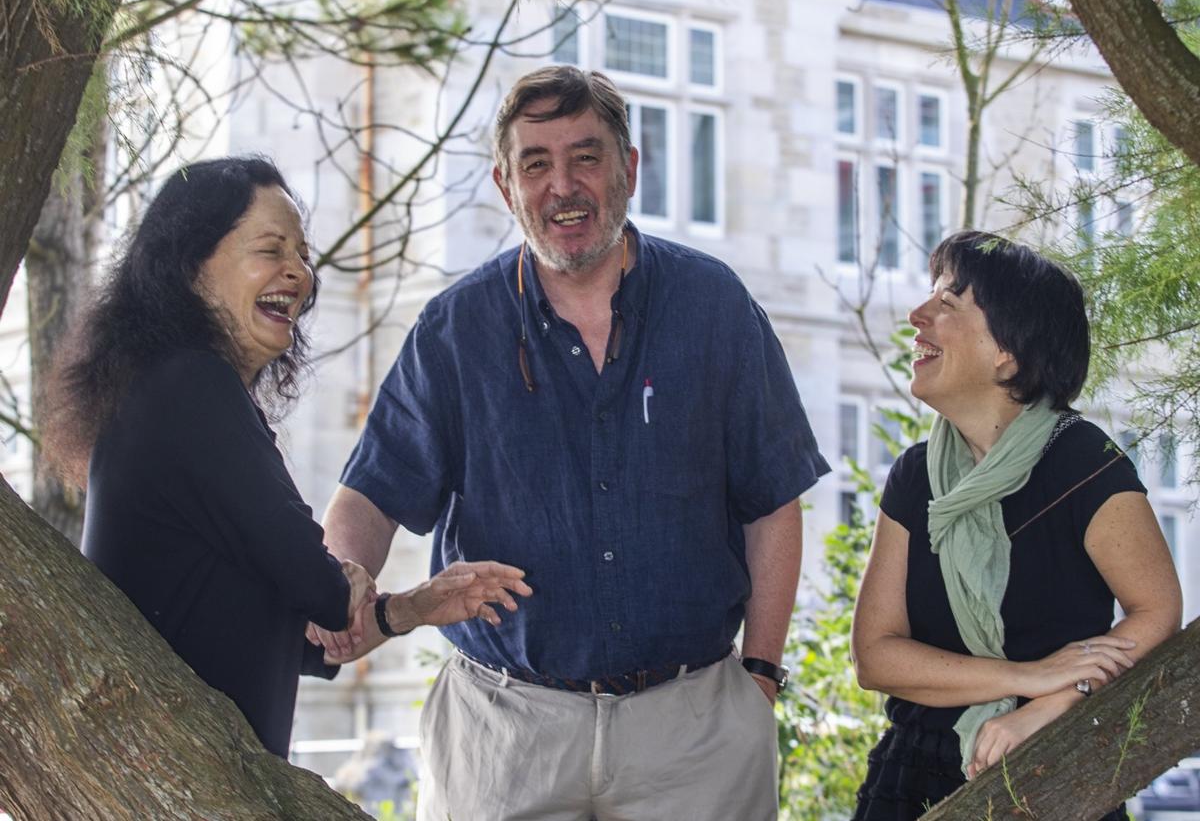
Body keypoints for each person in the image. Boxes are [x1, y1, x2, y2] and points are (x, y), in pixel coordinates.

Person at [308, 65, 830, 819]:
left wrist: (760, 676)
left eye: (586, 157)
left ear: (630, 169)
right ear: (504, 184)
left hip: (695, 734)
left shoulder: (714, 308)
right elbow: (372, 495)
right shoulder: (456, 329)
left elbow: (773, 502)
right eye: (537, 163)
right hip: (504, 732)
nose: (564, 186)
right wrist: (345, 576)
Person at [46, 157, 531, 758]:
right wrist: (337, 578)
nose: (297, 272)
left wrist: (415, 607)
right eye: (270, 250)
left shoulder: (175, 391)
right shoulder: (189, 386)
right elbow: (317, 587)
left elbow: (305, 638)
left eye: (301, 254)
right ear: (190, 265)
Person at [850, 231, 1182, 820]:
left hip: (1057, 767)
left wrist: (1055, 702)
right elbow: (876, 658)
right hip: (911, 779)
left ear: (1008, 351)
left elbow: (1157, 612)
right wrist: (1029, 677)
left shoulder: (1083, 462)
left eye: (948, 303)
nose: (917, 316)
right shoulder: (915, 477)